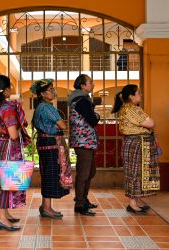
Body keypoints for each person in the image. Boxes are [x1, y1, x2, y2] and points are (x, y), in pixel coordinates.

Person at [0, 75, 31, 231]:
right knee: (6, 181)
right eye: (10, 88)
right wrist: (20, 124)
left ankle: (4, 214)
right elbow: (13, 134)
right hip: (7, 146)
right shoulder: (7, 108)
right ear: (5, 90)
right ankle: (2, 218)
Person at [112, 84, 159, 215]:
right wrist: (148, 128)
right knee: (135, 172)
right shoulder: (132, 109)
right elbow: (151, 123)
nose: (141, 95)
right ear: (131, 97)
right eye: (138, 93)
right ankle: (132, 204)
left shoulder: (129, 108)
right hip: (136, 143)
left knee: (137, 172)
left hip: (135, 143)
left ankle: (136, 202)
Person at [31, 79, 71, 219]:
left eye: (53, 89)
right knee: (50, 174)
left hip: (44, 142)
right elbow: (62, 126)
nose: (53, 92)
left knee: (47, 173)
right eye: (50, 90)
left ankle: (45, 206)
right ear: (42, 93)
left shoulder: (41, 107)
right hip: (50, 143)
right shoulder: (47, 108)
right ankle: (47, 208)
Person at [69, 74, 99, 216]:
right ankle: (80, 204)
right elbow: (93, 120)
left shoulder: (83, 99)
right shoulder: (81, 100)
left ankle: (83, 199)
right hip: (83, 142)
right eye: (90, 82)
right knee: (84, 173)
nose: (92, 84)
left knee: (90, 171)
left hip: (87, 141)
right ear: (82, 85)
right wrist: (97, 116)